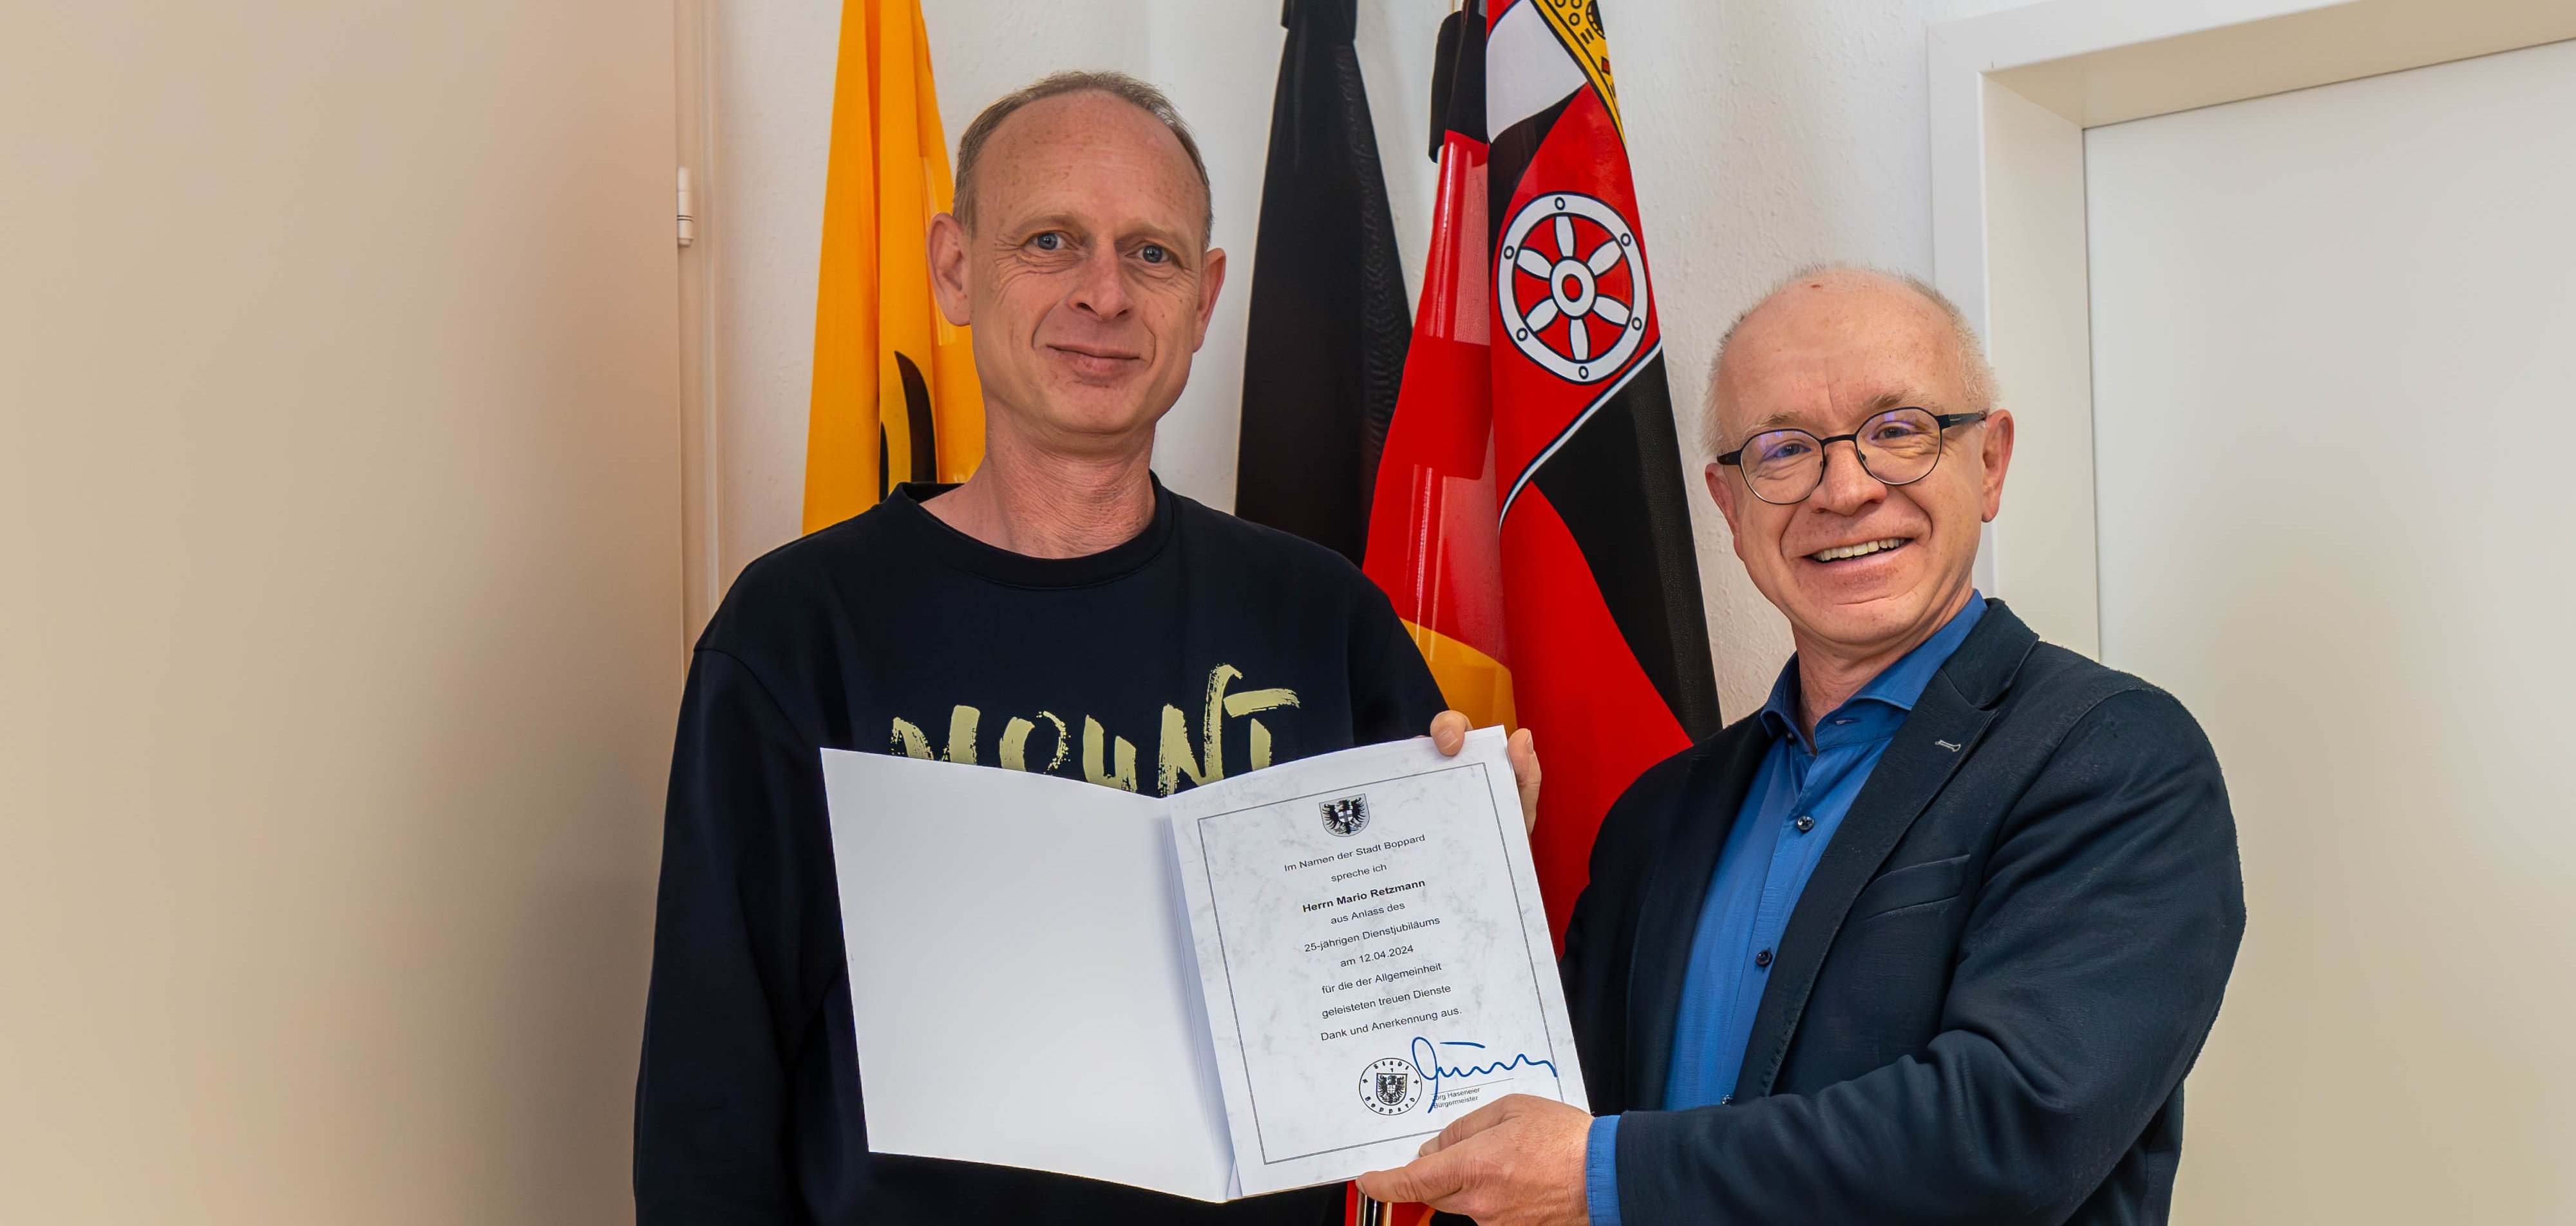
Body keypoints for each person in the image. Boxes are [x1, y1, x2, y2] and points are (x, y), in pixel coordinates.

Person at [634, 71, 1537, 1226]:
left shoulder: (1324, 619)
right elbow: (708, 1105)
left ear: (1205, 300)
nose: (1103, 293)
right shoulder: (797, 630)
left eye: (1152, 254)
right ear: (955, 268)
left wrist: (1473, 870)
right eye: (1050, 240)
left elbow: (1431, 1060)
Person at [1356, 266, 2244, 1225]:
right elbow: (1525, 1113)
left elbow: (2011, 1132)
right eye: (1783, 451)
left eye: (1897, 431)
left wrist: (1606, 1175)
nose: (1846, 490)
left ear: (1989, 463)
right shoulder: (1657, 818)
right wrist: (1459, 872)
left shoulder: (2115, 759)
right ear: (1729, 507)